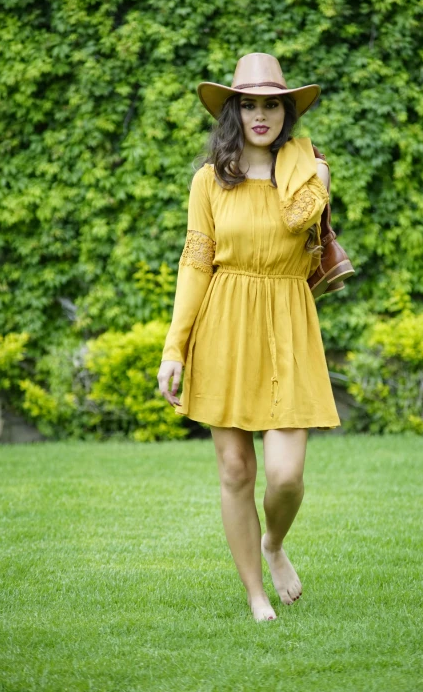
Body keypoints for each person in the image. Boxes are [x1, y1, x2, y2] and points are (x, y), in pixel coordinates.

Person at [158, 52, 341, 622]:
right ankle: (256, 595)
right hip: (225, 324)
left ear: (286, 111)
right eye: (249, 104)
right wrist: (174, 346)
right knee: (236, 470)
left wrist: (300, 170)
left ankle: (274, 543)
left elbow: (306, 238)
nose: (260, 114)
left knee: (286, 476)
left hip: (288, 320)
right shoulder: (209, 180)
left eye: (272, 104)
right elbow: (196, 262)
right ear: (234, 111)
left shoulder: (312, 172)